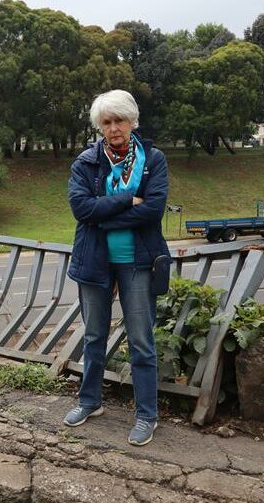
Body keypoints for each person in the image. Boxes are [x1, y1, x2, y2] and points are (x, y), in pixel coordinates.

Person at [63, 89, 170, 446]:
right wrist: (127, 200)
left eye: (119, 120)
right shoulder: (86, 162)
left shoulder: (153, 160)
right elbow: (82, 209)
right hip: (95, 261)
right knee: (94, 335)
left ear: (132, 121)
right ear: (100, 127)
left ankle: (146, 415)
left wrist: (104, 215)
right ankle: (90, 401)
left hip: (138, 262)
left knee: (141, 340)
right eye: (106, 122)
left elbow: (153, 209)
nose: (113, 128)